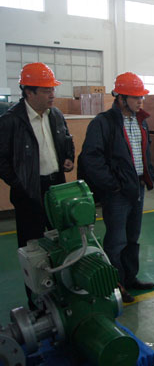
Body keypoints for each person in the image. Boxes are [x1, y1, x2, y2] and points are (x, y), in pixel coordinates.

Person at [0, 63, 75, 307]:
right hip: (28, 195)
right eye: (46, 90)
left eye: (52, 89)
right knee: (33, 253)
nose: (52, 94)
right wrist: (19, 183)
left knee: (60, 245)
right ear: (28, 92)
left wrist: (68, 157)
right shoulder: (11, 121)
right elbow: (1, 160)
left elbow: (67, 140)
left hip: (56, 190)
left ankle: (60, 299)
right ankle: (37, 305)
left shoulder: (56, 115)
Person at [79, 72, 154, 303]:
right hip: (117, 194)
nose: (140, 101)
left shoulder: (140, 121)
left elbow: (145, 151)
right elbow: (91, 158)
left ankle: (130, 278)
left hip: (137, 187)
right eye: (135, 97)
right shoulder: (103, 123)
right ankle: (116, 285)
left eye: (141, 96)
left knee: (133, 237)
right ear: (121, 98)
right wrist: (112, 186)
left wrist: (148, 175)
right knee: (116, 241)